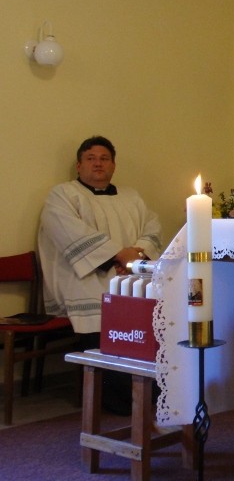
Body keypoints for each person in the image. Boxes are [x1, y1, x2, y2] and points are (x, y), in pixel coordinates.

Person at [38, 135, 163, 413]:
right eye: (91, 158)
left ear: (113, 165)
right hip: (84, 275)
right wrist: (118, 255)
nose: (98, 163)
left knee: (146, 308)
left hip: (131, 273)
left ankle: (150, 393)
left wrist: (137, 254)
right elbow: (68, 231)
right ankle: (114, 399)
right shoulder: (63, 194)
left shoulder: (132, 196)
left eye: (104, 158)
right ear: (79, 165)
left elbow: (153, 227)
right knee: (102, 304)